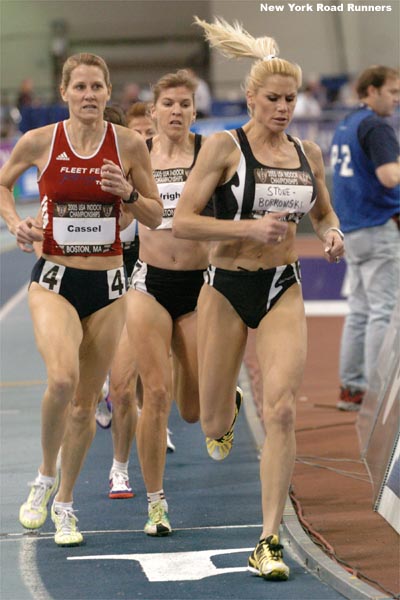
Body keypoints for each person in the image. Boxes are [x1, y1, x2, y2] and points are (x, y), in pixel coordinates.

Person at [173, 17, 344, 581]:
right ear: (251, 97)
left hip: (280, 287)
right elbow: (183, 221)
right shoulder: (225, 147)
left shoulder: (307, 153)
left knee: (285, 408)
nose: (284, 108)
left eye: (291, 99)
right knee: (210, 418)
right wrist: (247, 231)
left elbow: (321, 211)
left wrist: (330, 234)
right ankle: (228, 413)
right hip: (225, 288)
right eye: (273, 98)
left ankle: (267, 538)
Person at [0, 52, 162, 547]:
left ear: (108, 93)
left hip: (109, 285)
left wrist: (127, 195)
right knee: (62, 379)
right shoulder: (39, 141)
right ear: (65, 92)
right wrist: (15, 223)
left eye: (97, 87)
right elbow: (3, 185)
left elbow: (156, 215)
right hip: (54, 277)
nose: (89, 95)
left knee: (86, 404)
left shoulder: (130, 144)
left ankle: (65, 505)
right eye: (80, 87)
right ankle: (44, 477)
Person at [108, 69, 209, 533]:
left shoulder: (212, 154)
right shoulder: (139, 156)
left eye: (184, 104)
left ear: (193, 110)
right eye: (168, 104)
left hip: (199, 285)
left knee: (193, 409)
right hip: (148, 283)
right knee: (158, 394)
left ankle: (221, 393)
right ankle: (156, 503)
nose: (176, 111)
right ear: (153, 112)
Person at [330, 65, 400, 411]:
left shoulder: (346, 124)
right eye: (392, 92)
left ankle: (353, 388)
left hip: (353, 228)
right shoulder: (375, 125)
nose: (397, 100)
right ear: (371, 91)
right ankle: (376, 392)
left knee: (359, 310)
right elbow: (389, 176)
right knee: (382, 311)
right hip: (377, 225)